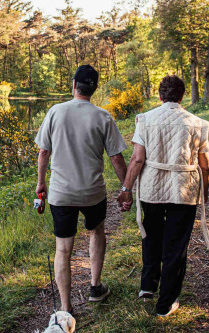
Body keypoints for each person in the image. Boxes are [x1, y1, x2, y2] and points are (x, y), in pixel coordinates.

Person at [117, 75, 209, 317]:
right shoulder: (197, 123)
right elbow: (206, 166)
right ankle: (166, 303)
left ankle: (147, 286)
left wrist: (126, 189)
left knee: (151, 236)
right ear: (182, 96)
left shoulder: (145, 119)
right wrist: (204, 192)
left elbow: (137, 159)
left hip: (151, 190)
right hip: (184, 191)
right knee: (176, 245)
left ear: (160, 95)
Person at [35, 64, 128, 314]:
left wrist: (41, 183)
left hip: (61, 193)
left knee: (63, 248)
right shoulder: (103, 117)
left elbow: (43, 152)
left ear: (74, 85)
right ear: (94, 89)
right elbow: (116, 158)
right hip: (92, 192)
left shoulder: (55, 111)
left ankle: (66, 308)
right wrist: (126, 187)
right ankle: (95, 287)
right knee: (97, 231)